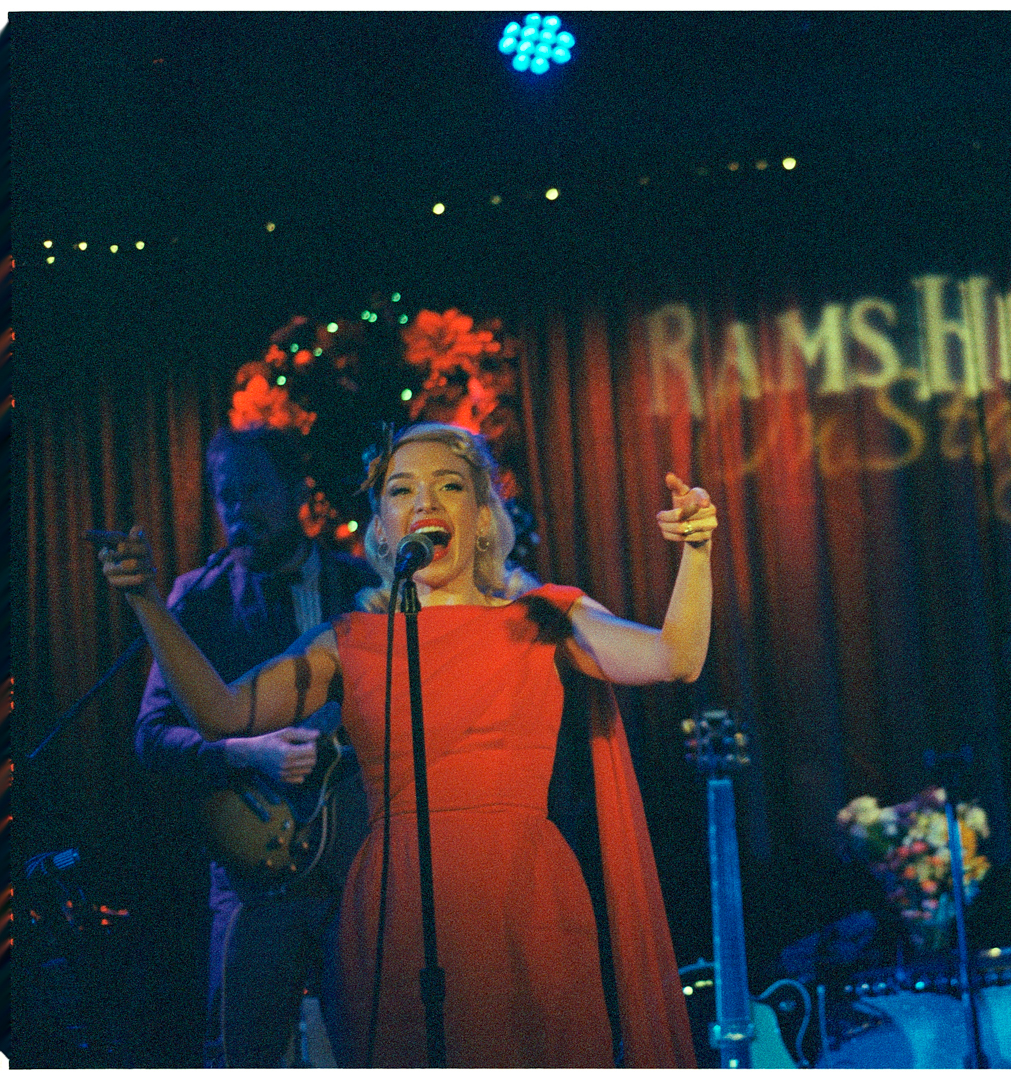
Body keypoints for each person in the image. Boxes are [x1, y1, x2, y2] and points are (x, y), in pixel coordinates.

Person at [102, 421, 706, 1068]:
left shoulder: (544, 617)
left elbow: (675, 657)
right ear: (383, 531)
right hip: (395, 913)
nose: (425, 502)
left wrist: (696, 553)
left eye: (450, 485)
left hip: (526, 899)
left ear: (482, 517)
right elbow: (221, 714)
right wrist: (146, 602)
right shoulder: (348, 642)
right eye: (401, 490)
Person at [134, 425, 379, 1067]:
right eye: (227, 496)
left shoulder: (363, 587)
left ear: (297, 490)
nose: (239, 511)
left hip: (358, 862)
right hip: (252, 869)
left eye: (254, 491)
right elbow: (152, 737)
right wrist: (247, 751)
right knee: (244, 1052)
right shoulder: (198, 598)